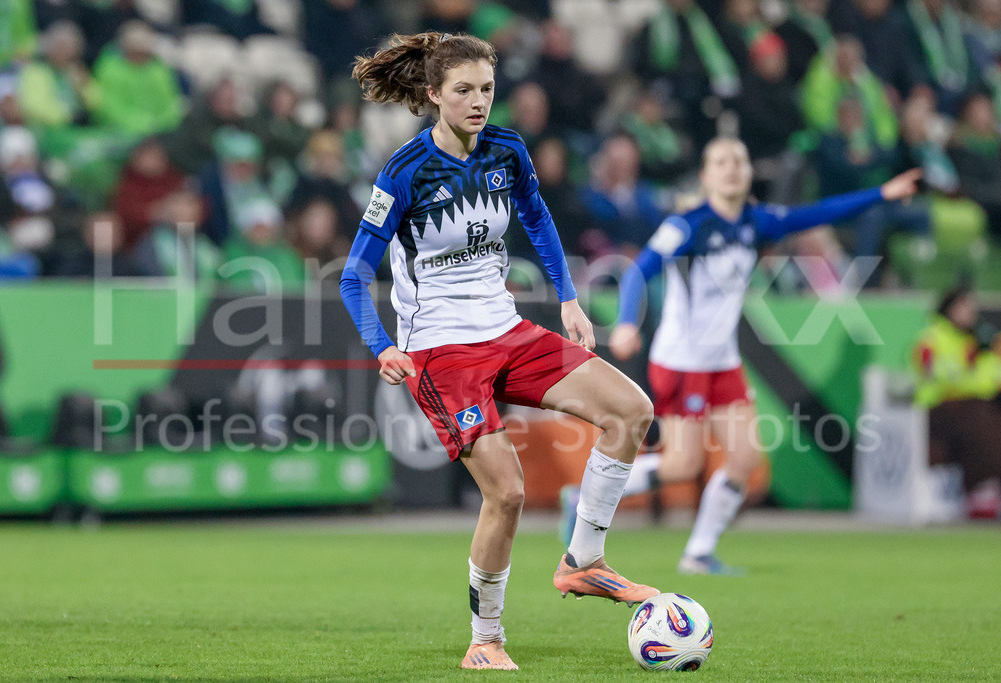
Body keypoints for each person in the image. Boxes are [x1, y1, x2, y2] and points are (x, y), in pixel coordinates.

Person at [339, 32, 660, 671]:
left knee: (631, 412)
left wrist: (568, 299)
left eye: (487, 89)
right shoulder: (403, 173)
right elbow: (353, 276)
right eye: (464, 91)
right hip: (442, 351)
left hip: (507, 330)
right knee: (507, 493)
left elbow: (537, 217)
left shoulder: (508, 151)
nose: (479, 102)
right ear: (433, 95)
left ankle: (584, 561)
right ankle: (485, 638)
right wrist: (382, 346)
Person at [561, 137, 921, 575]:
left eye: (738, 161)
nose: (731, 168)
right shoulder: (688, 224)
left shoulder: (758, 222)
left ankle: (698, 553)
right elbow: (639, 271)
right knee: (682, 463)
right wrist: (626, 322)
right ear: (707, 175)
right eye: (721, 162)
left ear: (749, 172)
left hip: (723, 361)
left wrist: (881, 194)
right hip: (681, 360)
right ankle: (584, 496)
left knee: (745, 459)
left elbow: (819, 213)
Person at [911, 283, 1001, 518]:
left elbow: (990, 378)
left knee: (983, 415)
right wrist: (978, 378)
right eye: (965, 307)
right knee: (980, 420)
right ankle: (980, 488)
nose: (971, 313)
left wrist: (989, 359)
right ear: (950, 308)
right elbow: (945, 379)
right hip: (936, 410)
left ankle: (985, 489)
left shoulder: (973, 343)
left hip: (969, 408)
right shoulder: (931, 340)